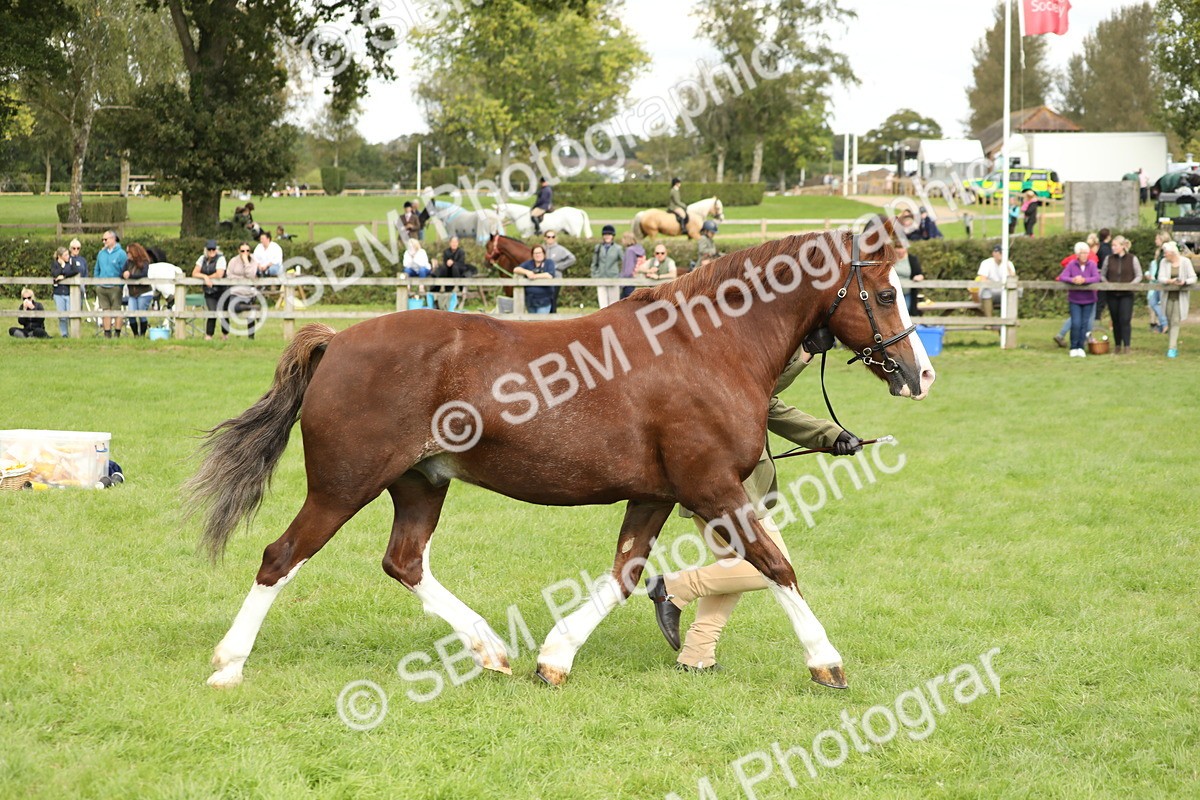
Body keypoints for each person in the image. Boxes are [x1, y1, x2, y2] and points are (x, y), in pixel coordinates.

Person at [645, 345, 862, 672]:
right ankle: (674, 586)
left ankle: (696, 655)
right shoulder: (719, 362)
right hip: (724, 490)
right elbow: (759, 390)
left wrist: (832, 436)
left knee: (733, 569)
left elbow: (770, 404)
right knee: (771, 568)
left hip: (739, 488)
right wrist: (803, 357)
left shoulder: (742, 373)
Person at [1056, 242, 1102, 358]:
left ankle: (1081, 347)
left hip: (1089, 299)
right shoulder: (1072, 265)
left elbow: (1096, 277)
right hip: (1075, 299)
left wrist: (1084, 280)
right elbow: (1063, 276)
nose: (1084, 255)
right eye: (1082, 253)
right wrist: (1073, 280)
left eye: (1086, 253)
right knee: (1075, 323)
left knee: (1084, 324)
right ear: (1077, 254)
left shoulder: (1092, 265)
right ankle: (1073, 347)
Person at [1099, 235, 1141, 354]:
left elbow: (1139, 275)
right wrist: (1107, 284)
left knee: (1125, 319)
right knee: (1115, 320)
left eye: (1115, 245)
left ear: (1122, 246)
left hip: (1127, 294)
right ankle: (1117, 345)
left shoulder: (1132, 258)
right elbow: (1103, 274)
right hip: (1112, 294)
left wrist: (1131, 285)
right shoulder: (1109, 259)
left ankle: (1127, 346)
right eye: (1112, 245)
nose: (1113, 248)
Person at [1155, 242, 1198, 358]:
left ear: (1172, 253)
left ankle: (1172, 348)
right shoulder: (1164, 262)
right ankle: (1172, 345)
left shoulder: (1185, 262)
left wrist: (1184, 282)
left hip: (1180, 296)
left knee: (1175, 321)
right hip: (1168, 296)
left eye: (1166, 253)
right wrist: (1170, 281)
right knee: (1169, 320)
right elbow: (1160, 277)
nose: (1165, 255)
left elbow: (1193, 278)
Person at [94, 230, 127, 338]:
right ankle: (107, 333)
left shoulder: (121, 254)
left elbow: (125, 270)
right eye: (102, 239)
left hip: (115, 287)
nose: (104, 241)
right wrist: (97, 283)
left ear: (113, 239)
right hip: (102, 287)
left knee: (117, 310)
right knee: (105, 310)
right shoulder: (101, 253)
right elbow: (97, 269)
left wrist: (120, 286)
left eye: (106, 239)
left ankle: (117, 333)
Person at [193, 240, 228, 341]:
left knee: (223, 312)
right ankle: (209, 335)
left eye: (214, 249)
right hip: (209, 291)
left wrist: (208, 277)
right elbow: (195, 272)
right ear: (206, 250)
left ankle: (225, 334)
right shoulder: (202, 259)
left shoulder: (221, 259)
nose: (212, 251)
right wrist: (205, 277)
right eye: (209, 249)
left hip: (222, 290)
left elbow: (219, 274)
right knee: (212, 311)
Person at [224, 240, 260, 339]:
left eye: (247, 251)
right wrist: (243, 280)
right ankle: (252, 307)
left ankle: (251, 337)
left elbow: (251, 275)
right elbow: (229, 275)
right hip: (236, 291)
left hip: (248, 292)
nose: (245, 253)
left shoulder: (253, 261)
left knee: (250, 315)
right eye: (242, 251)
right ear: (238, 251)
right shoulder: (233, 261)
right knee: (233, 307)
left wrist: (246, 262)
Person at [513, 244, 556, 314]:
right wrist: (527, 272)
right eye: (535, 253)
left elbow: (549, 275)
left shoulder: (549, 262)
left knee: (540, 323)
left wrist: (534, 276)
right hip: (530, 300)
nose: (537, 255)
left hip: (544, 300)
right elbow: (516, 269)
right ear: (532, 255)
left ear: (543, 254)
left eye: (539, 253)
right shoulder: (529, 263)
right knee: (532, 323)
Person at [122, 243, 153, 337]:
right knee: (131, 314)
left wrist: (130, 276)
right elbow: (122, 273)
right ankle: (136, 334)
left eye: (129, 252)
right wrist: (124, 274)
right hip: (132, 293)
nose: (127, 254)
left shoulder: (144, 262)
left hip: (144, 292)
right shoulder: (127, 263)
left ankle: (142, 334)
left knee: (141, 312)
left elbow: (143, 275)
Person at [976, 244, 1015, 317]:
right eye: (996, 252)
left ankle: (1009, 320)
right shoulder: (986, 263)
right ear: (993, 253)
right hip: (990, 291)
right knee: (986, 292)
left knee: (1013, 292)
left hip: (1002, 291)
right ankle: (989, 321)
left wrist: (1006, 264)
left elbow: (1013, 279)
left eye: (1000, 253)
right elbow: (983, 280)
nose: (998, 255)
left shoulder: (1009, 264)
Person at [542, 230, 576, 313]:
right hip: (542, 278)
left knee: (553, 299)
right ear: (545, 238)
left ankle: (553, 320)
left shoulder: (560, 249)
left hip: (556, 278)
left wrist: (558, 267)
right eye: (548, 237)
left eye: (553, 237)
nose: (550, 239)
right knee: (543, 299)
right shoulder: (541, 248)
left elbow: (572, 258)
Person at [590, 224, 623, 309]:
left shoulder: (618, 248)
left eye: (609, 234)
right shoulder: (598, 247)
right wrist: (594, 275)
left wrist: (620, 275)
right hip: (601, 277)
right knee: (603, 305)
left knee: (614, 304)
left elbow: (624, 261)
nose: (607, 236)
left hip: (613, 278)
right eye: (605, 234)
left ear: (613, 236)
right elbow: (594, 263)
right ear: (603, 236)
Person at [50, 245, 80, 337]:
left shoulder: (72, 261)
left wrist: (64, 276)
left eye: (68, 254)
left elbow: (75, 271)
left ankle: (74, 333)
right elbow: (54, 273)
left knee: (71, 314)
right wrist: (62, 266)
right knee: (62, 315)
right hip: (58, 293)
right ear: (60, 256)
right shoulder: (55, 264)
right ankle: (64, 334)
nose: (68, 256)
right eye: (66, 255)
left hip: (69, 293)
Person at [1146, 232, 1171, 334]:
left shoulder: (1166, 252)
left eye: (1157, 239)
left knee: (1159, 303)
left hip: (1163, 281)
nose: (1155, 241)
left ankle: (1165, 325)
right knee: (1153, 302)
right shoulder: (1159, 252)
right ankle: (1163, 324)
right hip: (1157, 280)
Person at [894, 242, 925, 316]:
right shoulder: (891, 260)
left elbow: (920, 274)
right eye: (898, 248)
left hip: (907, 292)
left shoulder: (912, 259)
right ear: (895, 249)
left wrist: (918, 277)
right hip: (893, 293)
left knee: (906, 313)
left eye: (902, 248)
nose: (900, 251)